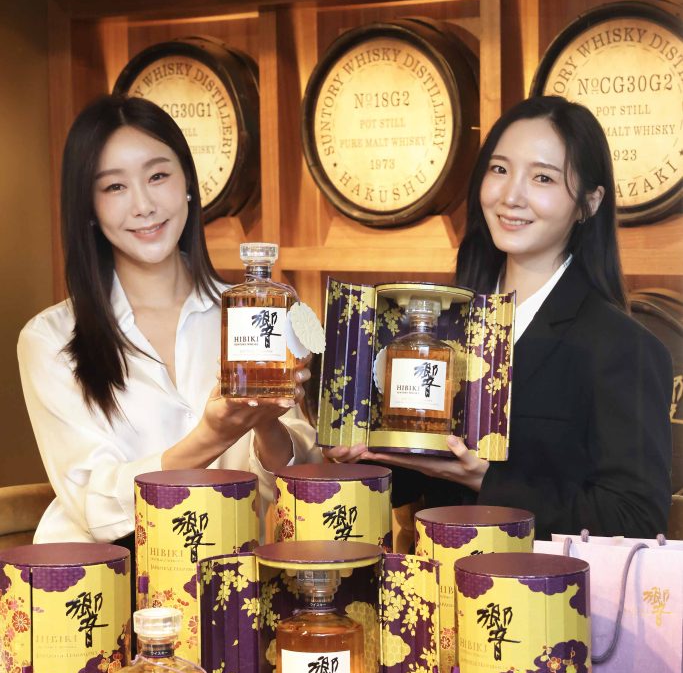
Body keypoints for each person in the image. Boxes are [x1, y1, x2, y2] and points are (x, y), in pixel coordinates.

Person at [329, 96, 673, 539]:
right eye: (499, 169)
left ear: (589, 203)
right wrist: (367, 454)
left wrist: (487, 480)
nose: (511, 196)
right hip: (435, 574)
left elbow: (635, 518)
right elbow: (416, 480)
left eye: (543, 177)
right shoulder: (440, 323)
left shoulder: (623, 347)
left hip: (541, 583)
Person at [18, 94, 316, 544]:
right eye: (114, 187)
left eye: (158, 176)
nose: (143, 205)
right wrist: (212, 435)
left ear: (188, 183)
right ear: (89, 207)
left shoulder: (255, 314)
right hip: (105, 577)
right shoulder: (50, 339)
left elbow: (299, 485)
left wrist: (266, 423)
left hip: (232, 571)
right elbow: (94, 507)